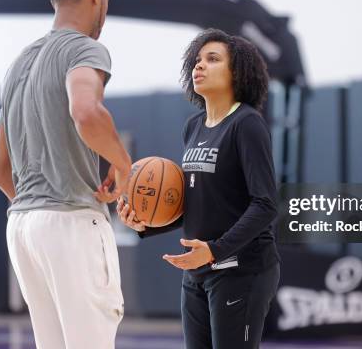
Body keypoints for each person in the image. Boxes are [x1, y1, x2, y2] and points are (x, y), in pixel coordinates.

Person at [0, 0, 130, 349]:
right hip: (70, 223)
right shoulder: (83, 49)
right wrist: (124, 165)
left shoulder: (16, 65)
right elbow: (86, 111)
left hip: (22, 227)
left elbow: (0, 171)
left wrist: (39, 206)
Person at [119, 28, 280, 348]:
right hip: (197, 272)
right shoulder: (192, 126)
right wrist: (144, 225)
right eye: (196, 60)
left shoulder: (246, 123)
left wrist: (215, 250)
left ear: (237, 72)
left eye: (212, 59)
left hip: (240, 270)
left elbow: (265, 204)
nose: (199, 65)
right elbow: (196, 203)